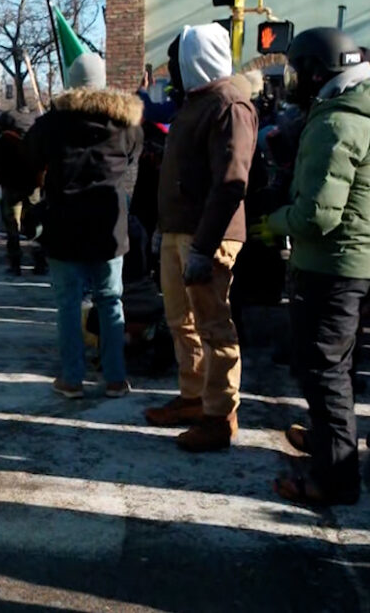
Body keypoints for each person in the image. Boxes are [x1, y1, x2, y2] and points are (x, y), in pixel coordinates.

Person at [262, 28, 370, 505]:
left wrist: (273, 223)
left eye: (296, 70)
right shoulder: (356, 113)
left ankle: (334, 479)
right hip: (353, 265)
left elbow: (317, 216)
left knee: (322, 372)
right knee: (338, 368)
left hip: (330, 268)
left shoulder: (335, 124)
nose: (292, 80)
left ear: (315, 72)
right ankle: (332, 445)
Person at [144, 23, 257, 451]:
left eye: (178, 60)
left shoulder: (229, 105)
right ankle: (193, 397)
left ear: (196, 60)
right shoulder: (194, 103)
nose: (171, 69)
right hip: (178, 232)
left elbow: (230, 184)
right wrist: (163, 230)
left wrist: (204, 248)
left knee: (214, 327)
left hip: (208, 238)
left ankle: (219, 416)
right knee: (181, 322)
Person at [26, 53, 142, 399]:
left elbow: (31, 155)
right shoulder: (126, 124)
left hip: (64, 225)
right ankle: (116, 378)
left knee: (68, 303)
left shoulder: (53, 123)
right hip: (109, 225)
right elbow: (133, 158)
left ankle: (72, 378)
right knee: (110, 301)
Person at [0, 108, 40, 275]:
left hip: (11, 189)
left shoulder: (2, 143)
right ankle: (40, 262)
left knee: (12, 227)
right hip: (33, 189)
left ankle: (15, 264)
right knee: (36, 226)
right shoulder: (33, 141)